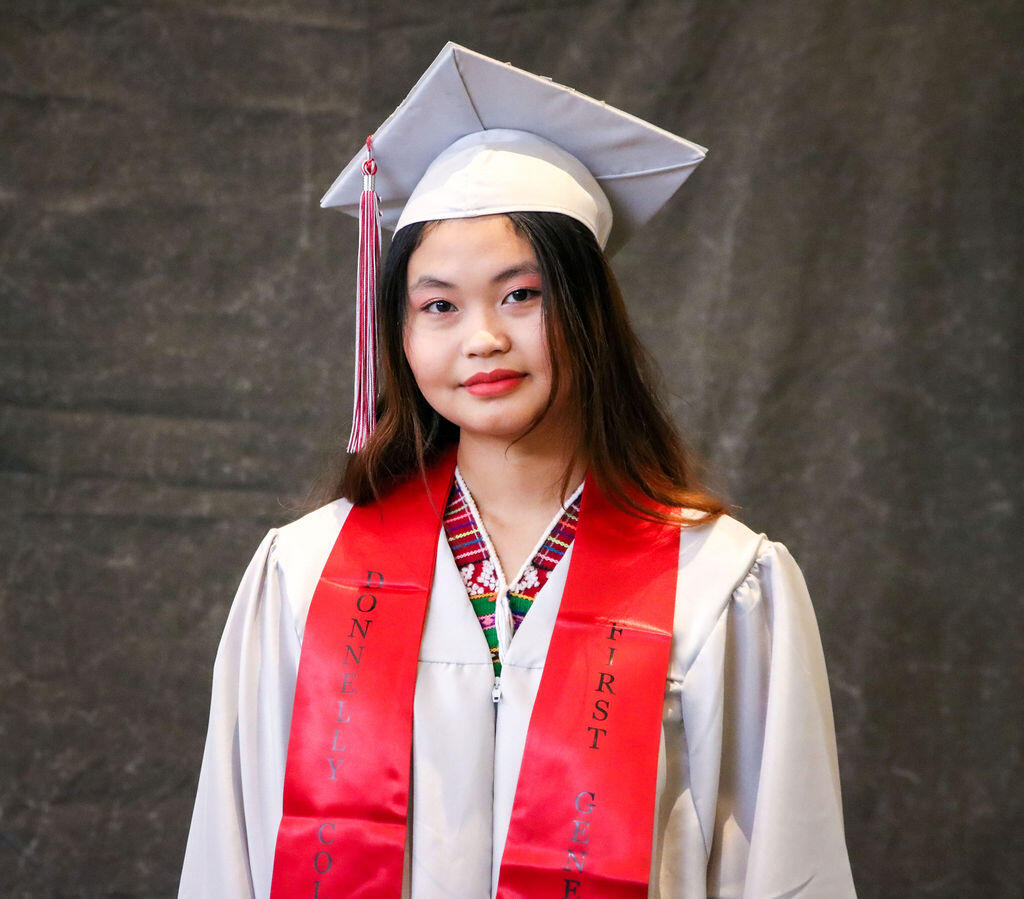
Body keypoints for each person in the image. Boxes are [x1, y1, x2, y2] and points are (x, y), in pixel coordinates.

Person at [180, 43, 856, 898]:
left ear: (590, 311)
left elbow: (788, 866)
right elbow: (229, 857)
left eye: (521, 295)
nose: (483, 339)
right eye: (438, 304)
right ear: (400, 333)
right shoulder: (304, 574)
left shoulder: (720, 583)